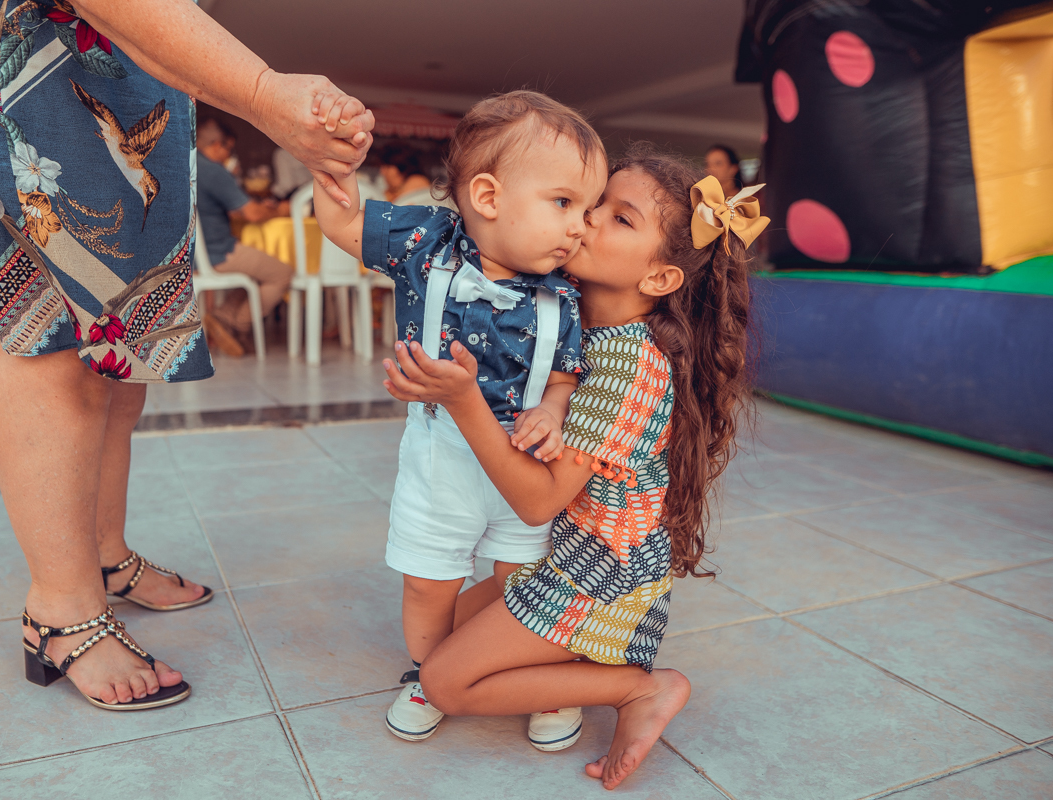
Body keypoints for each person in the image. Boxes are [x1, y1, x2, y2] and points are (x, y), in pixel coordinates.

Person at [0, 0, 372, 711]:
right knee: (59, 332)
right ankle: (61, 612)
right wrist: (261, 91)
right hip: (3, 27)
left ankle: (102, 556)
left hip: (86, 41)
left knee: (118, 340)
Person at [380, 144, 766, 789]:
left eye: (620, 218)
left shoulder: (626, 363)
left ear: (660, 279)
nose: (586, 220)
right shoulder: (584, 327)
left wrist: (461, 398)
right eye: (593, 204)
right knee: (440, 630)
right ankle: (571, 668)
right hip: (570, 554)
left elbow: (537, 503)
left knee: (444, 680)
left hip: (602, 574)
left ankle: (637, 688)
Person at [314, 90, 606, 744]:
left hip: (523, 465)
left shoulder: (563, 295)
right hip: (441, 451)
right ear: (488, 197)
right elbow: (339, 226)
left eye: (588, 209)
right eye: (564, 203)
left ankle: (532, 668)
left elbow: (563, 376)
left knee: (520, 578)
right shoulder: (424, 239)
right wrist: (326, 171)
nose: (579, 226)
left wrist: (555, 411)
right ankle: (430, 671)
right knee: (430, 579)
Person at [196, 117, 294, 352]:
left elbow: (234, 210)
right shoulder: (213, 170)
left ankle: (220, 318)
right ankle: (234, 323)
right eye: (229, 149)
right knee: (282, 273)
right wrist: (280, 210)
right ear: (218, 144)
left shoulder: (189, 165)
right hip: (218, 252)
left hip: (194, 253)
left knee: (255, 275)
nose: (230, 156)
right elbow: (251, 213)